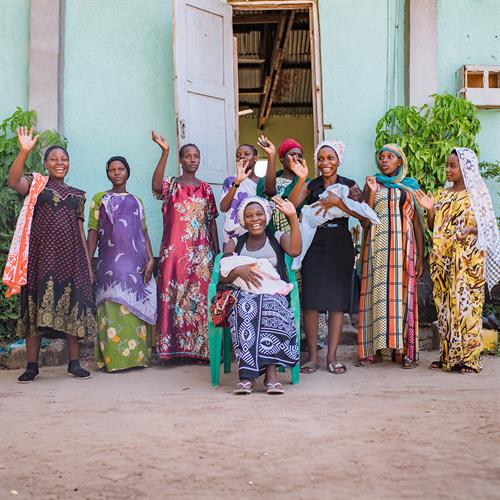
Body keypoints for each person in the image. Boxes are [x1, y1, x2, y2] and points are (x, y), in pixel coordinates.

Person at [4, 127, 96, 383]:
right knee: (35, 309)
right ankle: (32, 366)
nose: (59, 163)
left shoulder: (78, 195)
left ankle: (74, 363)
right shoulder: (37, 186)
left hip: (72, 259)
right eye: (54, 159)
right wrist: (24, 151)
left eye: (64, 159)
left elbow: (79, 229)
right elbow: (13, 182)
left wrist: (88, 265)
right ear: (45, 164)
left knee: (73, 307)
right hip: (41, 258)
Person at [415, 148, 500, 373]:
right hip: (443, 260)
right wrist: (431, 210)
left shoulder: (478, 193)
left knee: (466, 307)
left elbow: (490, 228)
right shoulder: (443, 194)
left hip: (468, 261)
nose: (448, 170)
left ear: (466, 168)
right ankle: (448, 357)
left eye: (453, 166)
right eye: (447, 165)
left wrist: (470, 229)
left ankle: (469, 360)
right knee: (445, 308)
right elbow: (434, 227)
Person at [288, 140, 367, 374]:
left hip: (340, 244)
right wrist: (301, 178)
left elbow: (364, 218)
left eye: (330, 158)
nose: (325, 163)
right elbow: (291, 206)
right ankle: (313, 357)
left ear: (338, 160)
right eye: (320, 158)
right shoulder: (311, 185)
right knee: (311, 302)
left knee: (336, 304)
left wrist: (339, 203)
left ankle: (332, 358)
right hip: (314, 245)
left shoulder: (350, 185)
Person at [220, 196, 301, 395]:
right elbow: (222, 275)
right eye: (249, 216)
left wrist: (292, 217)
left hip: (273, 293)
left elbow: (296, 250)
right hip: (243, 293)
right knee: (246, 307)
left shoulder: (277, 237)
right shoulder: (234, 244)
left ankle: (271, 375)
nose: (255, 219)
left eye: (259, 214)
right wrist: (238, 271)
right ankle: (247, 377)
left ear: (266, 215)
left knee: (269, 306)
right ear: (243, 220)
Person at [151, 131, 219, 361]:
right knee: (172, 298)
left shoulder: (207, 189)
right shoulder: (171, 185)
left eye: (196, 156)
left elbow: (211, 221)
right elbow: (155, 186)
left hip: (201, 253)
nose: (192, 159)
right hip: (174, 252)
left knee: (200, 300)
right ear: (180, 160)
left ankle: (201, 351)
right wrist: (165, 152)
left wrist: (216, 252)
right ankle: (171, 351)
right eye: (187, 156)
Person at [357, 143, 424, 369]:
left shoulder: (409, 187)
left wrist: (421, 257)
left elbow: (417, 223)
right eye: (381, 157)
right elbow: (364, 221)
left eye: (390, 157)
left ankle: (403, 351)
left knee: (402, 297)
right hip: (376, 249)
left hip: (403, 249)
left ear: (400, 162)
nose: (384, 161)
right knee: (377, 296)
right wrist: (372, 192)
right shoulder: (372, 184)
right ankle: (375, 350)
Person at [87, 156, 156, 372]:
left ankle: (137, 359)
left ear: (128, 172)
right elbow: (92, 232)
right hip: (109, 266)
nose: (117, 173)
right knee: (111, 309)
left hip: (136, 266)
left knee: (135, 310)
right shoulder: (100, 199)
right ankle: (113, 361)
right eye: (112, 170)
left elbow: (143, 233)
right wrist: (87, 263)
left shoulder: (137, 201)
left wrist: (151, 258)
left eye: (121, 169)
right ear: (107, 173)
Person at [220, 144, 259, 247]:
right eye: (238, 155)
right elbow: (223, 208)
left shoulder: (261, 183)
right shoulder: (230, 181)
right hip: (232, 235)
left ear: (256, 158)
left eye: (247, 154)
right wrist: (237, 182)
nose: (242, 157)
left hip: (254, 235)